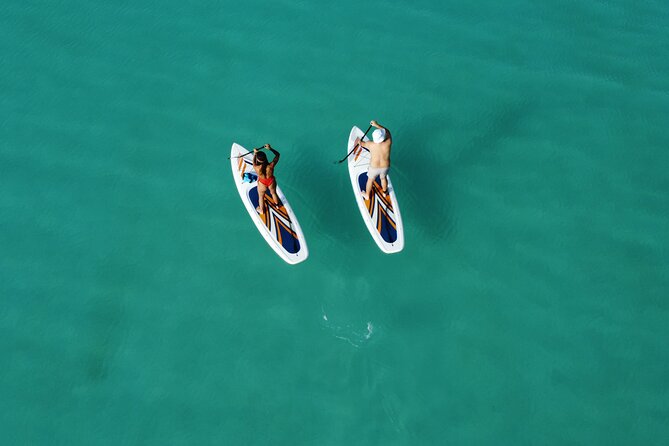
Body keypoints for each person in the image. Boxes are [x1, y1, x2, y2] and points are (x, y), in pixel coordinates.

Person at [356, 120, 392, 199]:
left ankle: (367, 195)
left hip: (374, 168)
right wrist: (376, 125)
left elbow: (362, 144)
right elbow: (387, 131)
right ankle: (385, 193)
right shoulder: (388, 142)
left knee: (370, 180)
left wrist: (359, 142)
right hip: (385, 167)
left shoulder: (370, 144)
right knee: (383, 178)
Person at [253, 144, 281, 214]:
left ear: (258, 159)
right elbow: (277, 155)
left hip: (262, 183)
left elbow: (254, 161)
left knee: (261, 196)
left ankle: (261, 210)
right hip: (271, 181)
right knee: (273, 193)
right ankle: (277, 205)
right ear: (265, 158)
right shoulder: (271, 165)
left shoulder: (256, 167)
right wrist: (270, 148)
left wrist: (255, 153)